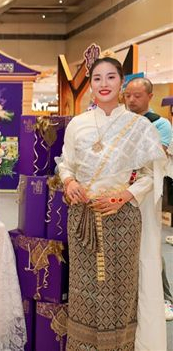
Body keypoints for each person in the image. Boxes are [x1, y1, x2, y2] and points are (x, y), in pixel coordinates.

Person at [58, 57, 166, 350]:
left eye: (110, 77)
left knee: (121, 286)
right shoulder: (78, 125)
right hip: (83, 216)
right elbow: (66, 164)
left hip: (123, 218)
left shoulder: (138, 126)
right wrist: (69, 182)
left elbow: (150, 173)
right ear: (91, 85)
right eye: (97, 78)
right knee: (83, 286)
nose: (103, 84)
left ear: (121, 83)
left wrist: (124, 196)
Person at [123, 76, 173, 321]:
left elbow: (155, 157)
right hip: (121, 191)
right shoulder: (121, 120)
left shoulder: (160, 124)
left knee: (150, 244)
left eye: (137, 96)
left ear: (150, 97)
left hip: (148, 190)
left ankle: (165, 298)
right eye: (127, 95)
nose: (131, 100)